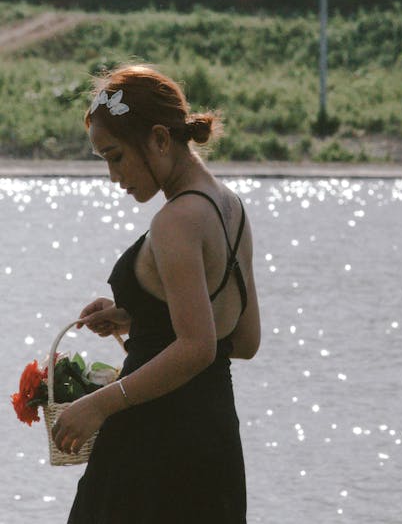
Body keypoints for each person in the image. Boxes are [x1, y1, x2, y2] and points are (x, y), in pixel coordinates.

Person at [52, 64, 261, 523]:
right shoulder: (232, 208)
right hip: (215, 443)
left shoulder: (176, 221)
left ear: (161, 139)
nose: (112, 176)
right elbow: (241, 341)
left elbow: (197, 346)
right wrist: (136, 317)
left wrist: (96, 405)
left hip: (153, 445)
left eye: (115, 156)